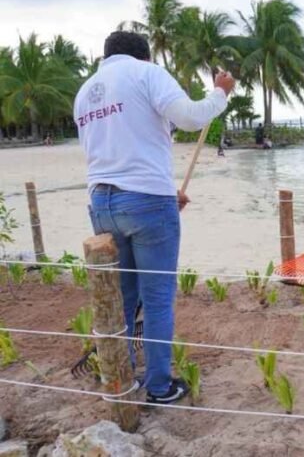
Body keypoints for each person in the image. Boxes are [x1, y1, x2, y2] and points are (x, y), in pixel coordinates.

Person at [74, 31, 235, 404]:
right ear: (144, 56)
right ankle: (160, 387)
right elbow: (191, 118)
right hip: (145, 201)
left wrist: (161, 192)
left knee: (124, 297)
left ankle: (123, 378)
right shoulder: (146, 74)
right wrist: (220, 92)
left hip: (102, 202)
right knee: (158, 299)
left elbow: (111, 149)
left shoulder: (85, 93)